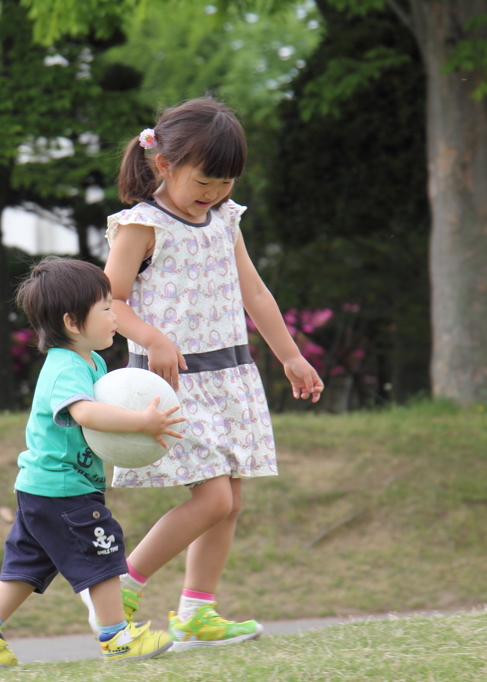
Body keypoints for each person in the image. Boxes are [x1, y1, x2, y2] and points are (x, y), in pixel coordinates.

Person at [91, 97, 325, 651]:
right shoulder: (141, 225)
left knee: (231, 500)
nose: (214, 191)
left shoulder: (226, 219)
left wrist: (290, 355)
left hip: (230, 377)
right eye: (204, 179)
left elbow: (256, 293)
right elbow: (110, 301)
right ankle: (121, 584)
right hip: (170, 384)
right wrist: (152, 338)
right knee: (214, 499)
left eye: (225, 181)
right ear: (163, 163)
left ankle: (197, 612)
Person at [0, 256, 185, 667]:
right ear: (73, 323)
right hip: (63, 488)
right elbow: (87, 415)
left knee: (27, 566)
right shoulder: (64, 368)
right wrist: (141, 422)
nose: (116, 316)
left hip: (43, 487)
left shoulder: (90, 362)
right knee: (104, 550)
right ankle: (117, 638)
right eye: (107, 309)